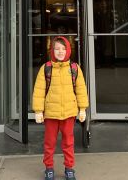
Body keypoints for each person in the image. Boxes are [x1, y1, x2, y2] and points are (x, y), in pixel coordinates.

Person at [32, 36, 89, 180]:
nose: (60, 51)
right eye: (57, 48)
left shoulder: (74, 68)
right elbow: (39, 91)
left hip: (68, 113)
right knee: (49, 143)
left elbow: (81, 90)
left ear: (68, 50)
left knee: (68, 142)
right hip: (51, 114)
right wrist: (38, 111)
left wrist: (82, 108)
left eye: (63, 48)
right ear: (52, 50)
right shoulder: (46, 68)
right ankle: (49, 168)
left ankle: (69, 167)